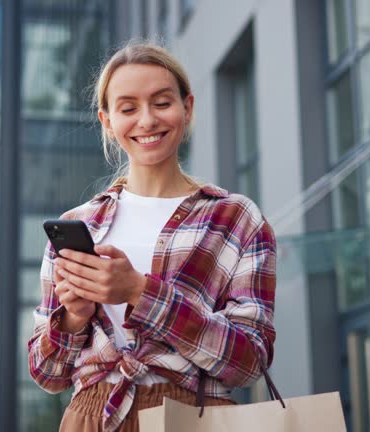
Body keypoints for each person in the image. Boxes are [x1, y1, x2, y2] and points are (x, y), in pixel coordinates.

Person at [27, 41, 277, 432]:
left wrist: (140, 293)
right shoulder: (80, 224)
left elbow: (250, 363)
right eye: (127, 108)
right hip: (91, 416)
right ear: (107, 121)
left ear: (187, 108)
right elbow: (47, 374)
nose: (146, 121)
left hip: (194, 417)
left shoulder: (235, 218)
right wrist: (74, 318)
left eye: (161, 103)